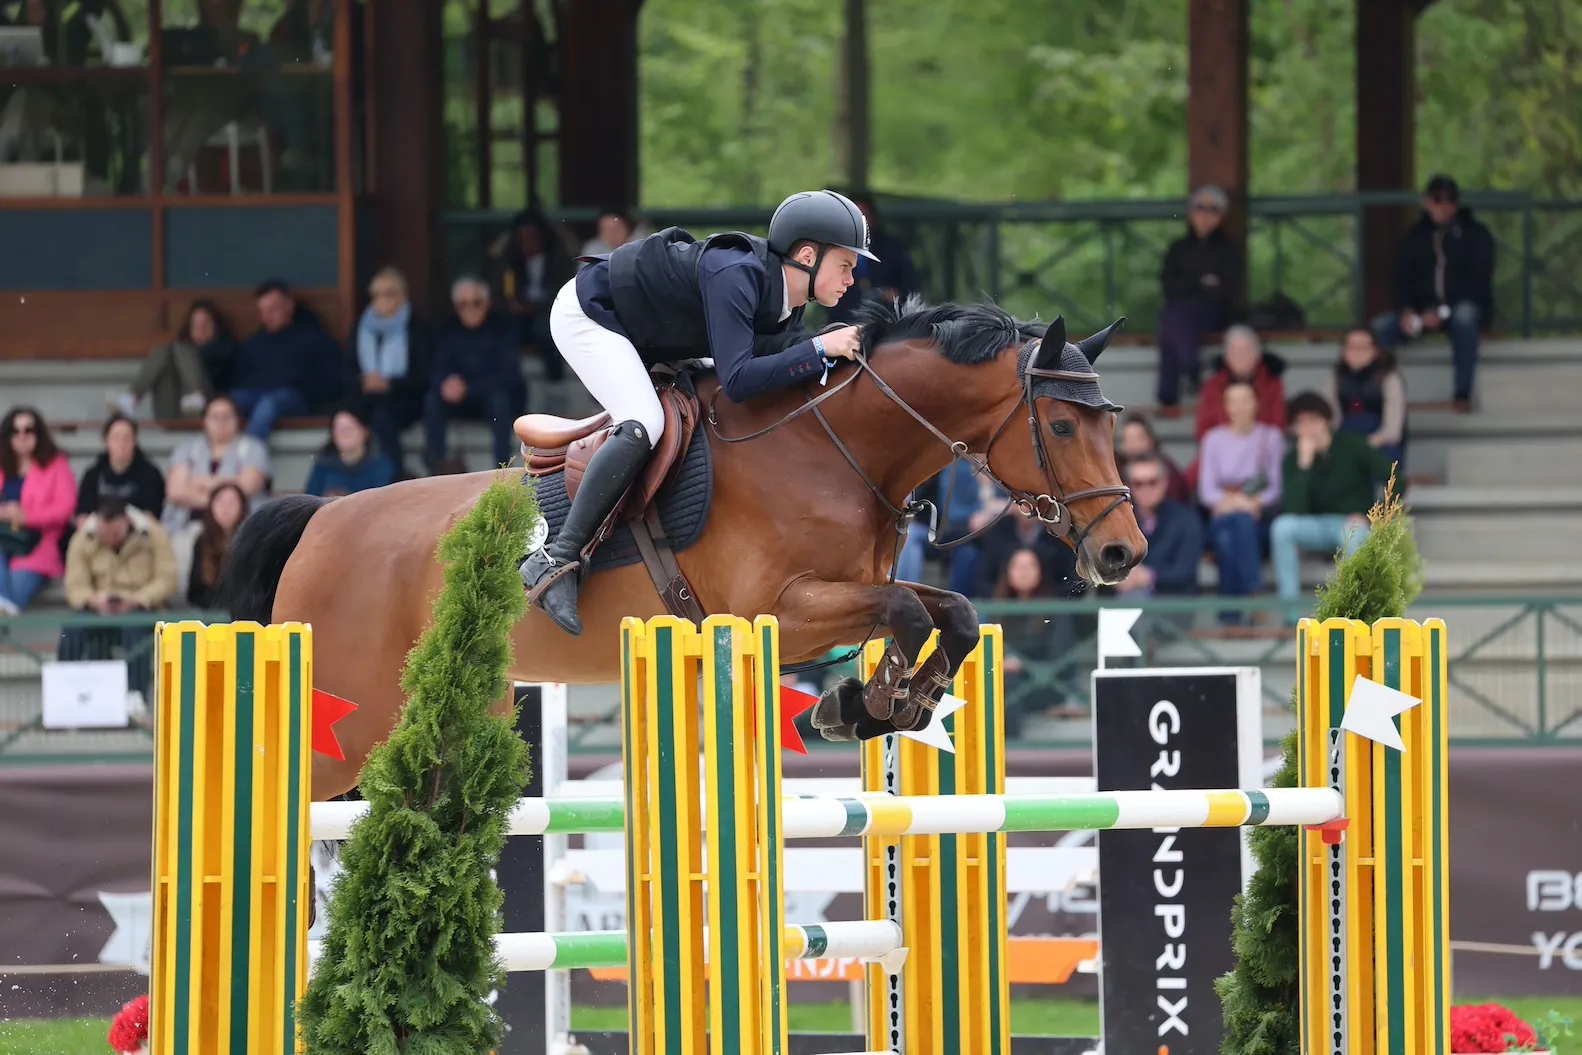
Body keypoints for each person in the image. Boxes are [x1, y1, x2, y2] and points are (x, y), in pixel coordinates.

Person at [519, 189, 874, 635]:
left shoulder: (790, 306)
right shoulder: (738, 273)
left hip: (656, 334)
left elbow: (775, 373)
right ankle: (556, 560)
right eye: (846, 265)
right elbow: (742, 380)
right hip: (592, 315)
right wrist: (822, 347)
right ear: (808, 255)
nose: (851, 279)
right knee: (643, 422)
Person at [1370, 175, 1493, 412]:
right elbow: (1401, 280)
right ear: (1426, 202)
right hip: (1421, 313)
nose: (1444, 206)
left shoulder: (1476, 235)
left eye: (1450, 200)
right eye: (1438, 200)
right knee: (1379, 328)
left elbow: (1479, 283)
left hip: (1460, 310)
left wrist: (1442, 313)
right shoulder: (1414, 236)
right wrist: (1407, 311)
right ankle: (1372, 396)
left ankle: (1462, 393)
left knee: (1465, 318)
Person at [1271, 392, 1393, 607]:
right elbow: (1294, 509)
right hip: (1314, 525)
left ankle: (1349, 609)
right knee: (1281, 527)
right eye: (1300, 423)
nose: (1307, 428)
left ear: (1326, 421)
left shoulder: (1352, 445)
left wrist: (1376, 516)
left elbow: (1394, 477)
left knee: (1354, 534)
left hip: (1351, 523)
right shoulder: (1292, 459)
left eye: (1313, 421)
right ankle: (1291, 612)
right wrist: (1304, 465)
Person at [1156, 184, 1241, 415]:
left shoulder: (1228, 249)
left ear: (1221, 216)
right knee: (1175, 317)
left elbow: (1228, 289)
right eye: (1199, 209)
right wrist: (1202, 283)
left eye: (1212, 210)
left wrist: (1191, 286)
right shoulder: (1178, 248)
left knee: (1173, 319)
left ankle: (1168, 394)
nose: (1204, 216)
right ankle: (1190, 368)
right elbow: (1168, 286)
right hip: (1183, 314)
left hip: (1215, 314)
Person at [0, 406, 77, 613]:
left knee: (12, 596)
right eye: (15, 431)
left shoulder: (57, 464)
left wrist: (26, 517)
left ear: (38, 434)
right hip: (2, 542)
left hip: (37, 546)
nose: (22, 436)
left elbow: (65, 509)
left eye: (28, 430)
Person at [1325, 326, 1407, 472]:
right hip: (1346, 439)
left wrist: (1366, 444)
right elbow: (1332, 419)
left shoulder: (1389, 378)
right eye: (1351, 347)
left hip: (1380, 442)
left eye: (1363, 347)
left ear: (1375, 350)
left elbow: (1393, 430)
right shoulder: (1337, 378)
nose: (1356, 352)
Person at [305, 408, 396, 497]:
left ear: (365, 431)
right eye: (340, 429)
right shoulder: (323, 462)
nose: (345, 434)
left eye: (350, 429)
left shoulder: (381, 464)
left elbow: (384, 503)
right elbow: (311, 500)